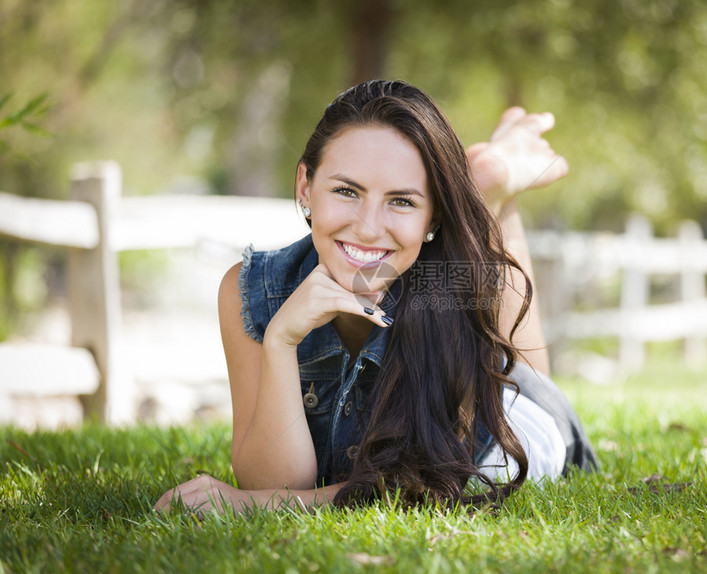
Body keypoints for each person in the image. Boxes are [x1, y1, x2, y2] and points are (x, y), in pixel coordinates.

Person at [155, 80, 596, 515]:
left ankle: (490, 191)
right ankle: (484, 190)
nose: (367, 228)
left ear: (433, 216)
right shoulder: (252, 290)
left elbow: (426, 486)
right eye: (347, 191)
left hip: (511, 427)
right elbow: (273, 485)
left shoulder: (448, 289)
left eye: (401, 201)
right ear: (305, 187)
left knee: (522, 369)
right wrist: (281, 341)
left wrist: (245, 506)